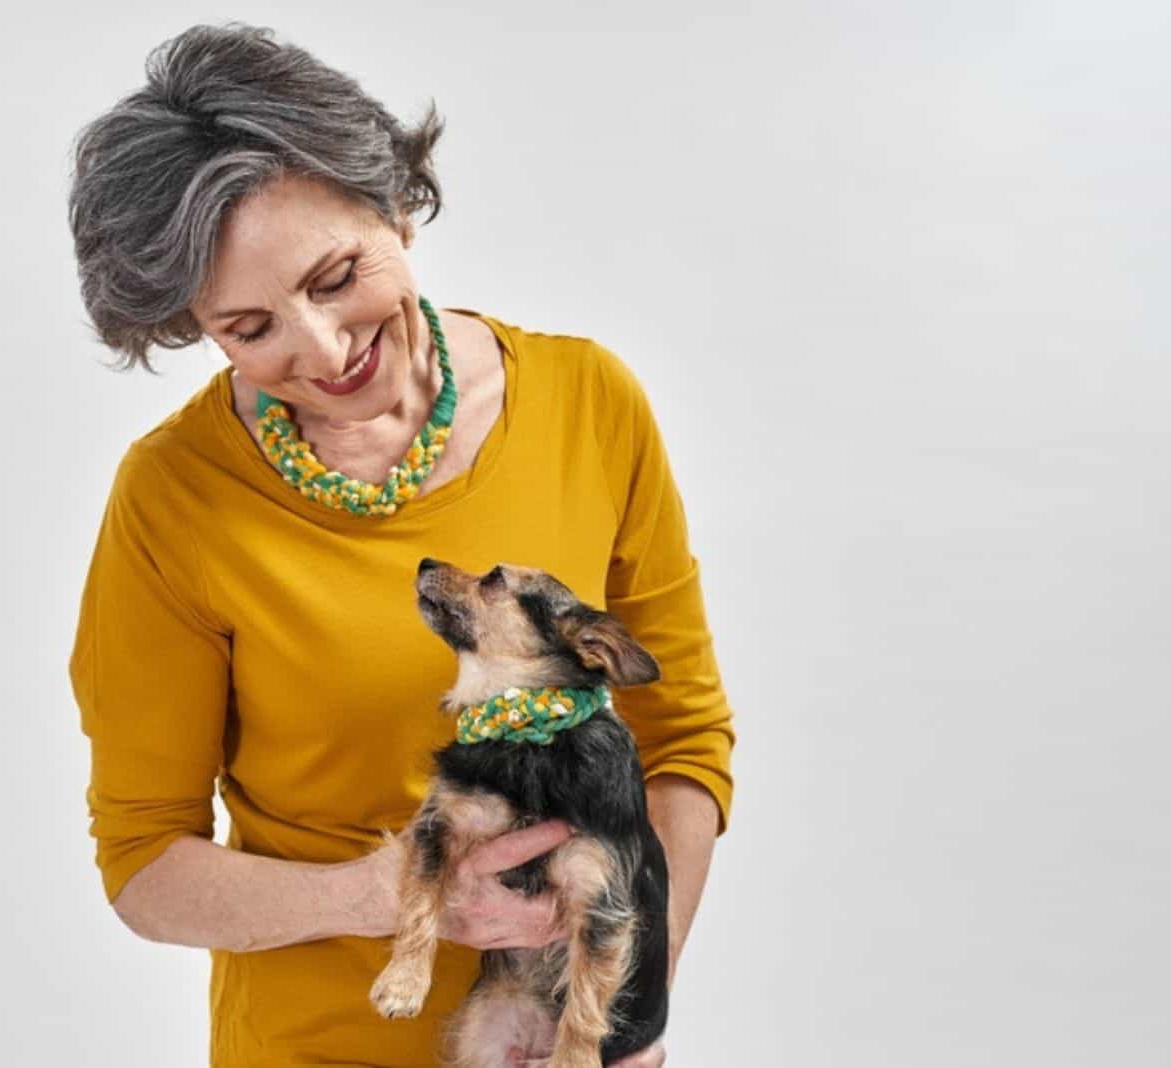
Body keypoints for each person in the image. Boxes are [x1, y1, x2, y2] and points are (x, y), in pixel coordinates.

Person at [65, 22, 734, 1068]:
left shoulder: (588, 402)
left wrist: (620, 1020)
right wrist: (384, 893)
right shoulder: (172, 498)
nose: (322, 350)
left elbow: (682, 741)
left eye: (336, 277)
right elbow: (145, 868)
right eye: (250, 330)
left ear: (393, 201)